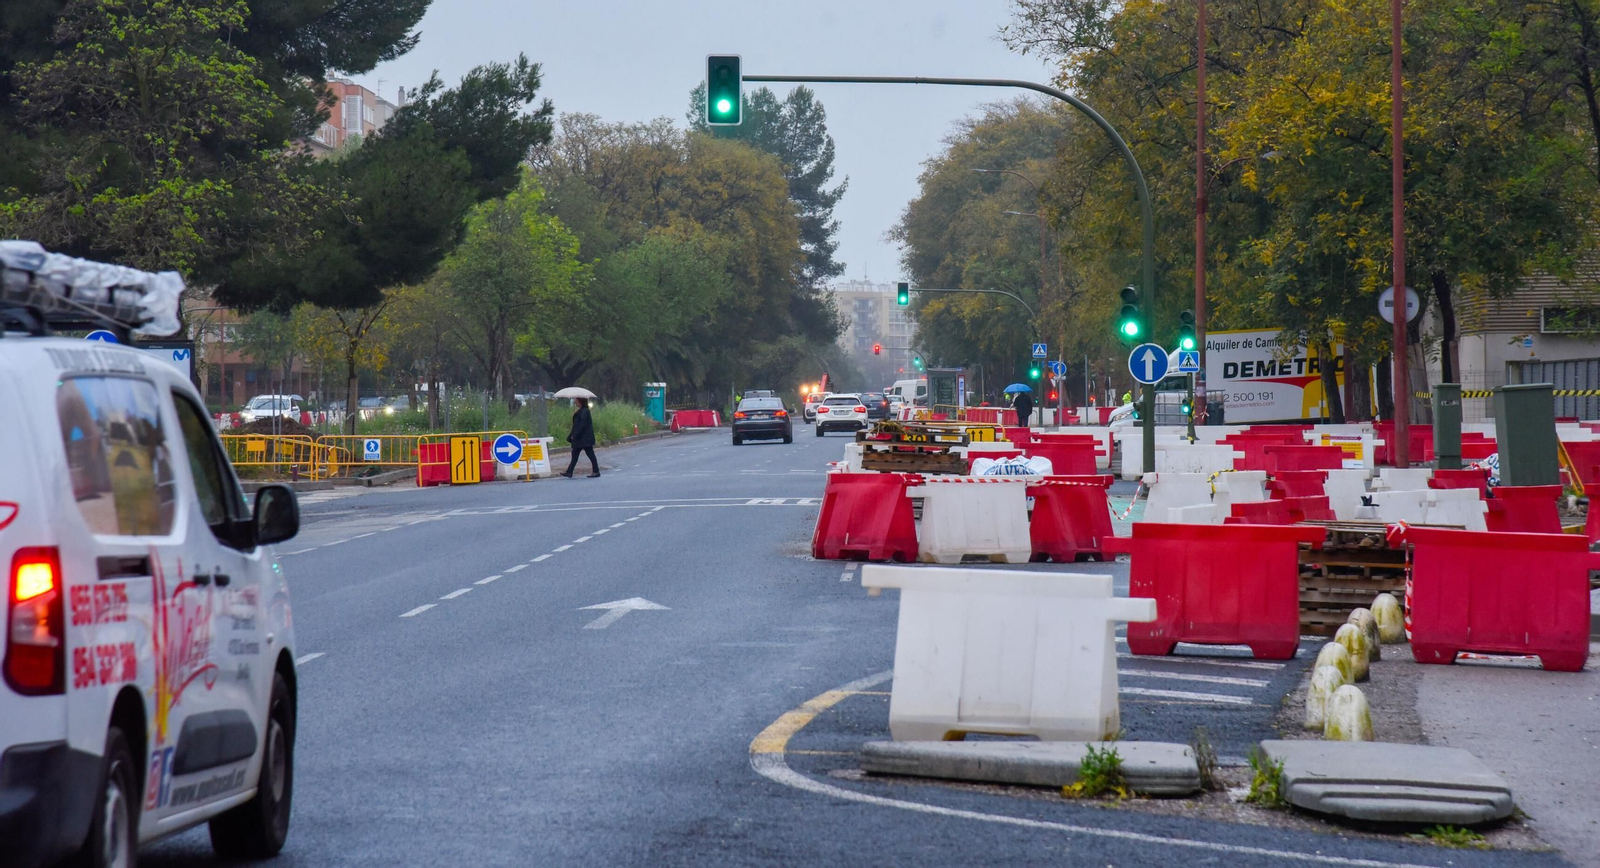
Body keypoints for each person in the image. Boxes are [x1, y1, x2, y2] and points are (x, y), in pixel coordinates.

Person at [562, 397, 599, 478]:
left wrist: (575, 435)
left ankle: (596, 471)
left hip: (583, 438)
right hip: (582, 438)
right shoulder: (582, 411)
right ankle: (569, 471)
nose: (575, 402)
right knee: (575, 454)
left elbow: (581, 425)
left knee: (589, 454)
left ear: (580, 401)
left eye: (576, 400)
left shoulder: (584, 411)